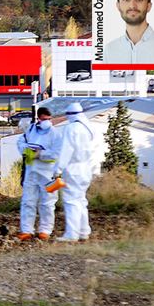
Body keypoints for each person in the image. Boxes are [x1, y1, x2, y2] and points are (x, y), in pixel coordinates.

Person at [53, 102, 97, 243]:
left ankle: (72, 234)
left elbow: (66, 150)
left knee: (71, 201)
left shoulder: (71, 128)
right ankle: (84, 231)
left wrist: (58, 169)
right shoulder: (88, 127)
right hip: (86, 169)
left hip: (73, 169)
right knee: (81, 200)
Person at [16, 107, 61, 242]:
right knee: (28, 201)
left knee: (47, 203)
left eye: (48, 119)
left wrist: (41, 154)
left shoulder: (55, 134)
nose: (45, 121)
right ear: (38, 118)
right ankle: (26, 230)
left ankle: (45, 230)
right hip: (31, 171)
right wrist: (28, 151)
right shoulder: (31, 130)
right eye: (43, 119)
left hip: (48, 173)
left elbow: (57, 153)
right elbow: (20, 143)